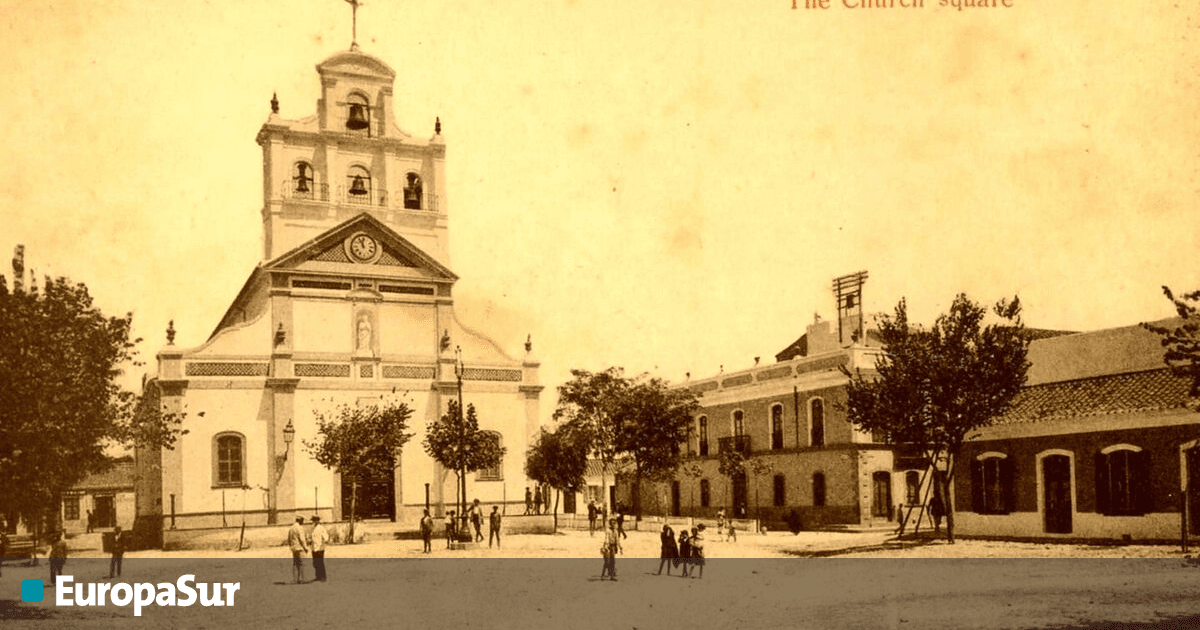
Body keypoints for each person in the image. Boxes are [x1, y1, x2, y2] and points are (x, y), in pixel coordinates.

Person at [287, 515, 308, 583]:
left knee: (295, 564)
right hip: (300, 548)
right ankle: (302, 579)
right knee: (302, 563)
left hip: (294, 548)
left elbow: (289, 539)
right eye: (302, 520)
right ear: (300, 520)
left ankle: (295, 579)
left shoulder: (291, 528)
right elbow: (302, 539)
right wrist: (305, 547)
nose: (303, 522)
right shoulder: (299, 528)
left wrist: (291, 546)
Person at [309, 515, 329, 582]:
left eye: (314, 520)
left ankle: (323, 577)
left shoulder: (321, 528)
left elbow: (326, 538)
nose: (313, 522)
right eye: (313, 520)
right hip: (314, 548)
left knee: (320, 563)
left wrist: (322, 545)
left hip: (320, 548)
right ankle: (317, 576)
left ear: (318, 521)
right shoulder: (313, 528)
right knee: (315, 563)